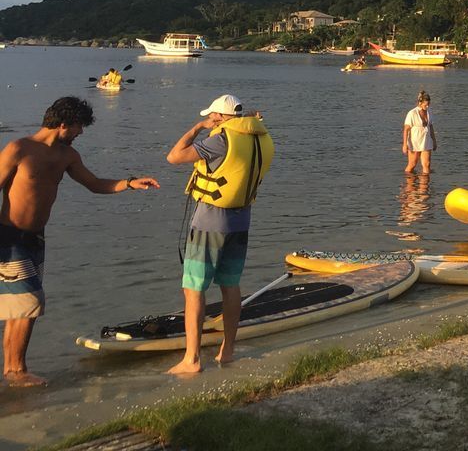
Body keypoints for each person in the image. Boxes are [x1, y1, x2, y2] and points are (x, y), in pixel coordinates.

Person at [0, 97, 159, 386]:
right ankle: (16, 371)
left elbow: (94, 184)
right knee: (30, 303)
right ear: (62, 124)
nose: (80, 133)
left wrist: (129, 182)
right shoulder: (19, 149)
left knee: (20, 308)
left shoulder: (67, 156)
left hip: (36, 239)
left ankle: (12, 370)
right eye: (78, 127)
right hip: (9, 237)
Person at [165, 94, 272, 375]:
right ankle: (228, 351)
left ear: (219, 117)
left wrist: (197, 128)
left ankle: (192, 359)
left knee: (194, 289)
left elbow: (174, 156)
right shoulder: (259, 137)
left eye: (212, 117)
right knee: (230, 285)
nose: (210, 122)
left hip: (210, 223)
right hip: (241, 220)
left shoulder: (220, 140)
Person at [402, 91, 436, 174]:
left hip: (426, 140)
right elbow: (406, 129)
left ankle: (424, 186)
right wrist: (405, 145)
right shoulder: (412, 113)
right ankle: (409, 184)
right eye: (425, 105)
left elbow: (431, 127)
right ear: (420, 103)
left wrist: (434, 141)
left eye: (428, 104)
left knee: (427, 165)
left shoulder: (429, 112)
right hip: (415, 141)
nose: (427, 106)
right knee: (412, 164)